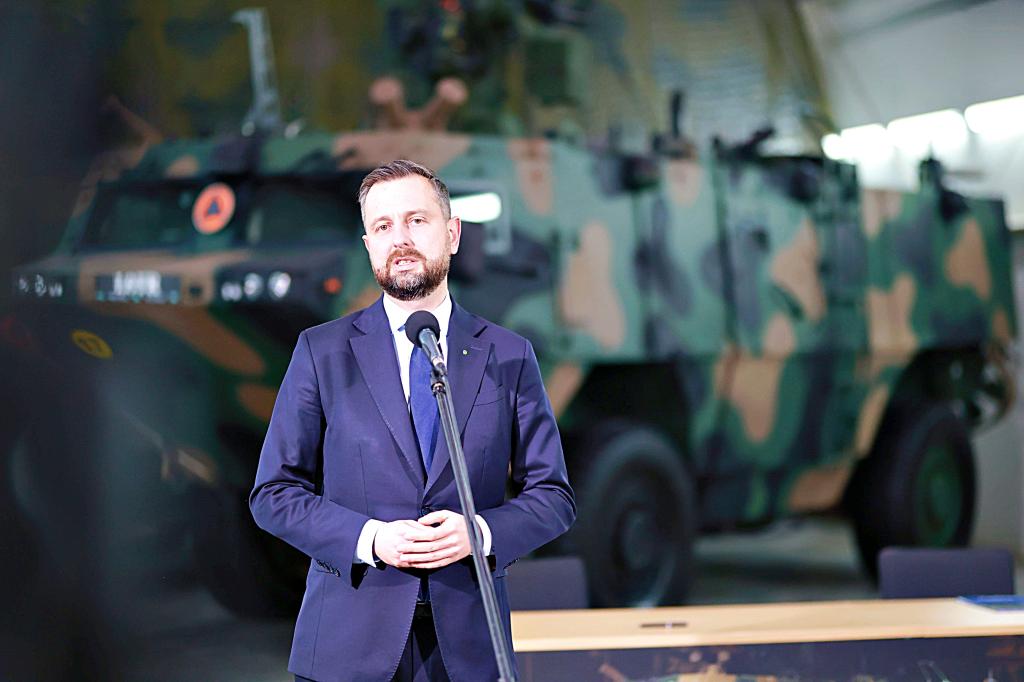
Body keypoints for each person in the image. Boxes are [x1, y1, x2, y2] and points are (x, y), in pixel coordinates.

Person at [250, 159, 576, 681]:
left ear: (452, 234)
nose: (399, 239)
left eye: (416, 220)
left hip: (467, 651)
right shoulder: (321, 352)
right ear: (369, 246)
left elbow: (554, 497)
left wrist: (480, 534)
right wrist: (370, 539)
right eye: (383, 226)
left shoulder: (508, 355)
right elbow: (274, 493)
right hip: (348, 647)